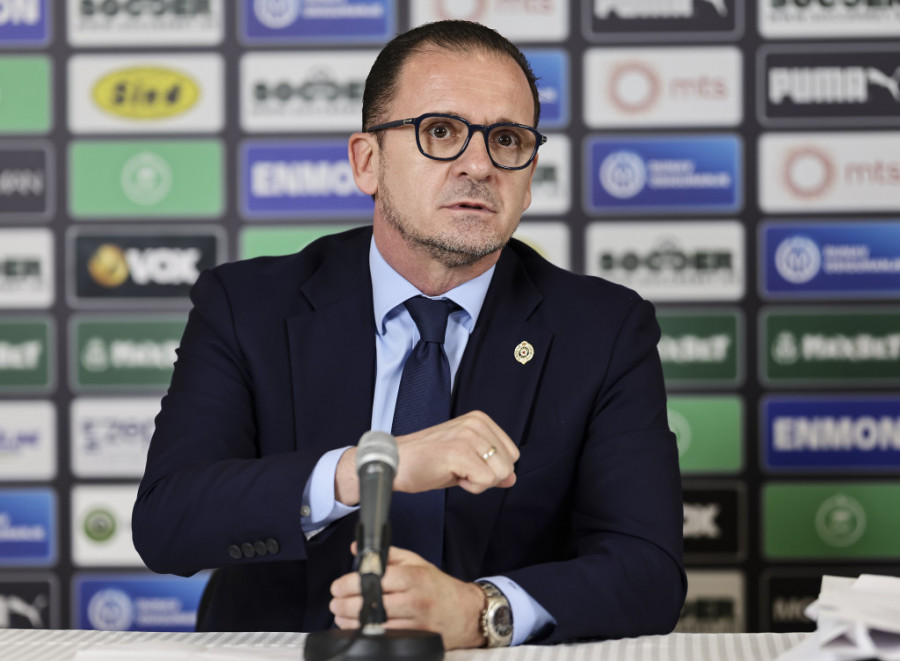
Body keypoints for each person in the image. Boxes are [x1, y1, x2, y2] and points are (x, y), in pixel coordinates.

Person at [132, 20, 686, 650]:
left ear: (529, 178)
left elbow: (648, 570)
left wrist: (480, 611)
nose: (479, 164)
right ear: (367, 162)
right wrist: (369, 469)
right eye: (440, 131)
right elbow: (168, 522)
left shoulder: (605, 329)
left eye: (507, 140)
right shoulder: (247, 305)